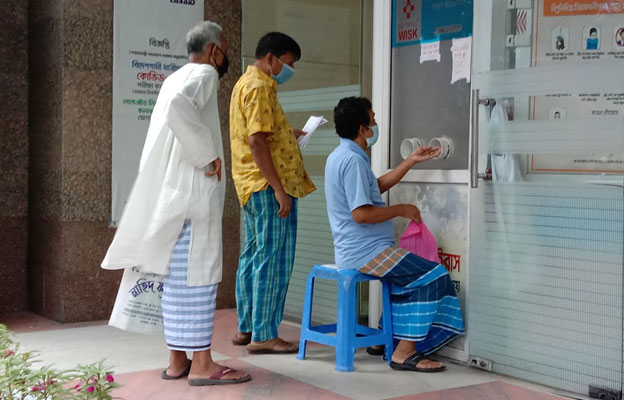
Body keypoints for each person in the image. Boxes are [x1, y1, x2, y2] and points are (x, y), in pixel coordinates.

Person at [101, 21, 250, 386]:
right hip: (192, 197)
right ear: (214, 51)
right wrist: (206, 155)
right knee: (198, 280)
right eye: (225, 49)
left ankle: (177, 360)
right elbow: (178, 109)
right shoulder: (204, 74)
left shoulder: (173, 78)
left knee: (174, 280)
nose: (226, 57)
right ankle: (202, 365)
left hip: (171, 198)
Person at [324, 97, 465, 372]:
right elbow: (361, 214)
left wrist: (410, 161)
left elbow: (373, 188)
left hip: (361, 250)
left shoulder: (341, 156)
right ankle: (404, 351)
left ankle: (383, 338)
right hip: (365, 253)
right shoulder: (352, 161)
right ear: (362, 128)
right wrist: (401, 209)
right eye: (372, 120)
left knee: (409, 278)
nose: (376, 124)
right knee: (434, 276)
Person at [229, 32, 315, 353]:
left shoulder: (245, 84)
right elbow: (257, 142)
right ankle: (264, 334)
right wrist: (279, 189)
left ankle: (248, 327)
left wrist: (287, 133)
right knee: (273, 258)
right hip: (267, 187)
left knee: (253, 254)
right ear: (271, 58)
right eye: (288, 63)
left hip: (251, 185)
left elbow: (259, 132)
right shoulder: (260, 88)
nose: (289, 70)